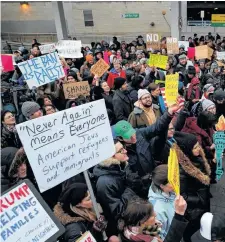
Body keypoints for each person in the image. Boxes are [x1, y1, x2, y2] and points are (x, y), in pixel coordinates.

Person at [93, 140, 137, 236]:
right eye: (121, 150)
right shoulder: (104, 183)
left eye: (124, 148)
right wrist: (130, 187)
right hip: (127, 226)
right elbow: (117, 211)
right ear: (111, 156)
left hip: (134, 213)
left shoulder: (121, 166)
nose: (125, 151)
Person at [173, 132, 211, 242]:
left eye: (198, 145)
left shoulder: (196, 158)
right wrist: (201, 199)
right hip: (193, 212)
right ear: (187, 150)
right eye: (195, 147)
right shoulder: (182, 171)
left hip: (202, 205)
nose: (199, 149)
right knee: (192, 235)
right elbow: (183, 195)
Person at [118, 196, 188, 242]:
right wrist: (179, 214)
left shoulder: (133, 227)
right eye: (152, 215)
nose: (155, 214)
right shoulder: (141, 239)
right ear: (143, 222)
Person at [148, 165, 176, 240]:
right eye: (172, 181)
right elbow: (151, 235)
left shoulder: (168, 190)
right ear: (162, 186)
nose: (176, 181)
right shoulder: (155, 210)